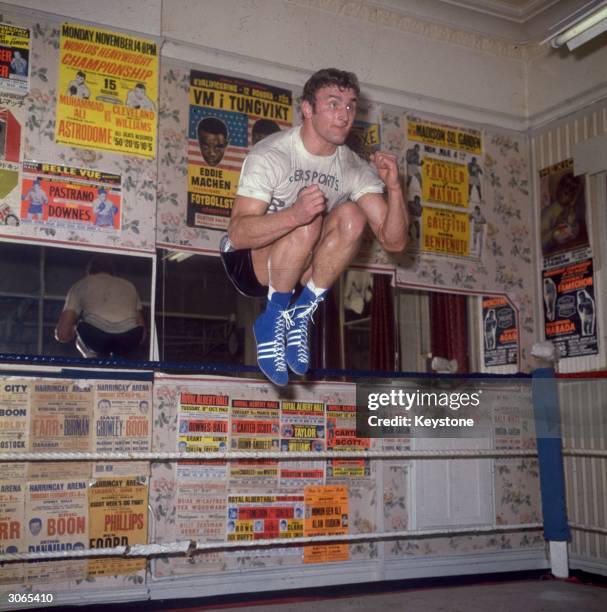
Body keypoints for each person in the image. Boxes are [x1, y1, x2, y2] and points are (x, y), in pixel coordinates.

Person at [221, 68, 408, 385]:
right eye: (334, 104)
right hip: (248, 262)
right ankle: (272, 320)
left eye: (350, 105)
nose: (344, 115)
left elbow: (394, 243)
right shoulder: (272, 154)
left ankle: (299, 315)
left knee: (352, 215)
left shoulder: (352, 166)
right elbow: (237, 234)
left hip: (297, 264)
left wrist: (394, 189)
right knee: (309, 218)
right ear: (307, 109)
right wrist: (295, 214)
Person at [54, 255, 145, 358]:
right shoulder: (129, 286)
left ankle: (93, 362)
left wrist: (74, 331)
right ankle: (120, 363)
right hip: (129, 338)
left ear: (89, 272)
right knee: (126, 346)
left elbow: (62, 334)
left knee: (80, 336)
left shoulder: (81, 285)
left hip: (96, 338)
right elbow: (142, 331)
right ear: (113, 272)